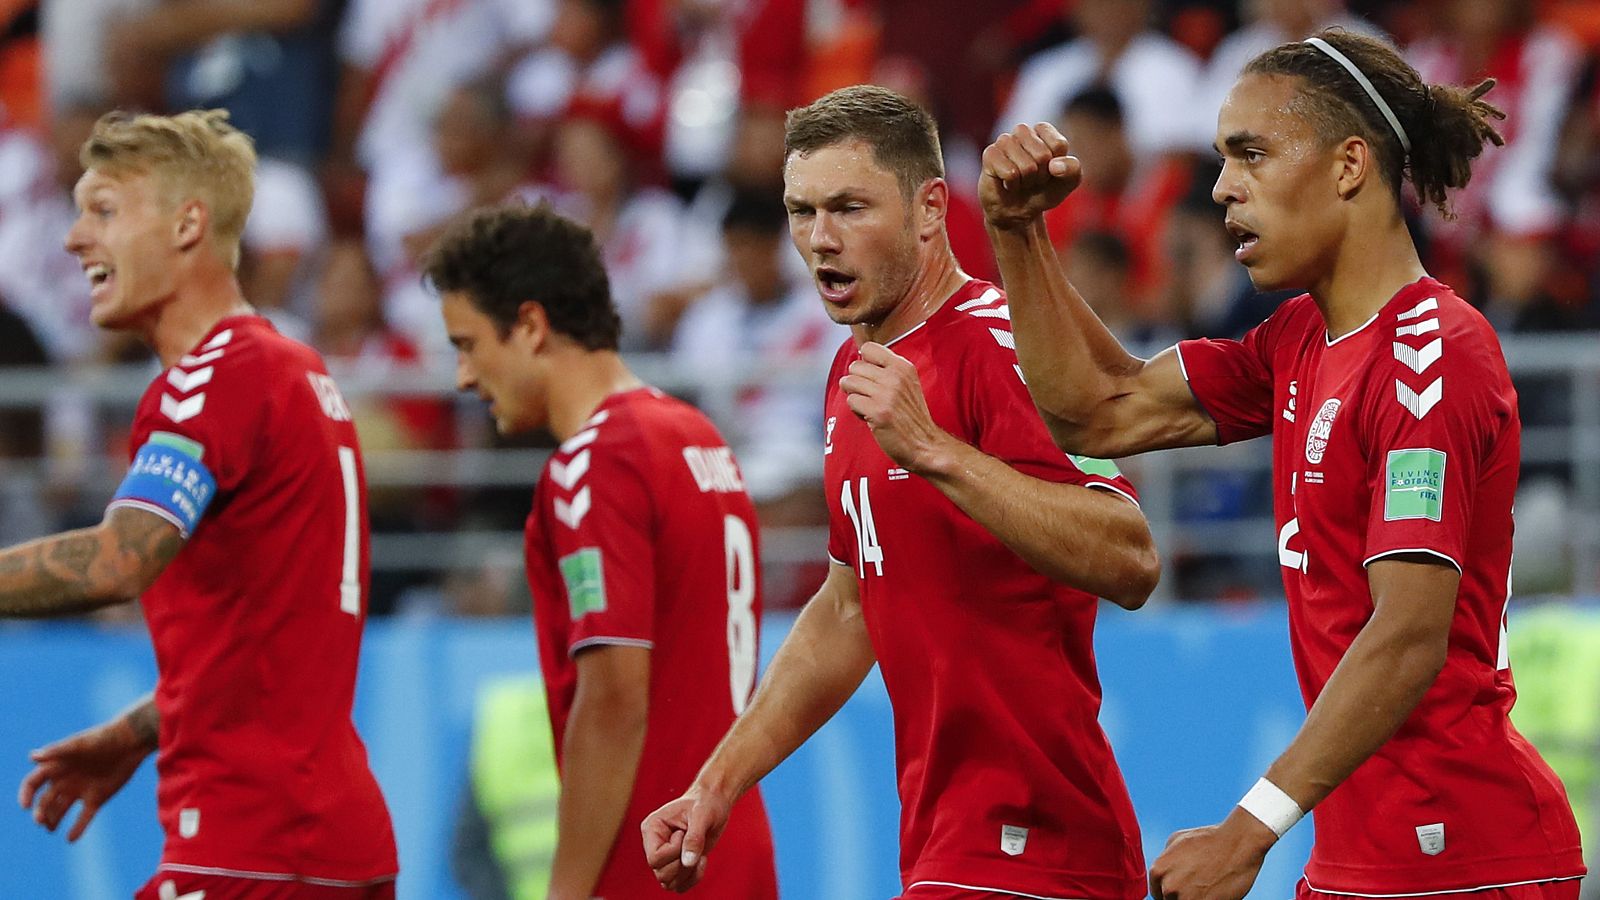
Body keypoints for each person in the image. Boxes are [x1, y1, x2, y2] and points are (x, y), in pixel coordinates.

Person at [980, 27, 1586, 900]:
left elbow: (1408, 632)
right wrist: (1018, 230)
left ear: (1348, 166)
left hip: (1462, 856)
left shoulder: (1433, 355)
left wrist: (1248, 826)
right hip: (1355, 860)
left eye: (1252, 154)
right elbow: (1098, 410)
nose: (1223, 187)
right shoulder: (1298, 340)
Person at [644, 84, 1161, 900]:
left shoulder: (1003, 344)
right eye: (802, 211)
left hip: (1041, 840)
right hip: (940, 836)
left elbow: (1131, 554)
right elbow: (849, 609)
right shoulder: (854, 373)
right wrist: (719, 781)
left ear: (928, 211)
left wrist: (934, 451)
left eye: (849, 208)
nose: (820, 240)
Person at [6, 109, 397, 897]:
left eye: (105, 210)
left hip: (250, 839)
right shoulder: (291, 371)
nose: (76, 238)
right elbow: (271, 633)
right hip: (326, 836)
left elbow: (119, 560)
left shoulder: (213, 378)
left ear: (189, 224)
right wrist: (142, 727)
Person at [422, 202, 778, 900]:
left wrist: (567, 891)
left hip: (653, 863)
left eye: (468, 345)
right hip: (735, 852)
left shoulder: (595, 463)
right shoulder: (696, 437)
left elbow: (614, 695)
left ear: (529, 326)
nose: (464, 376)